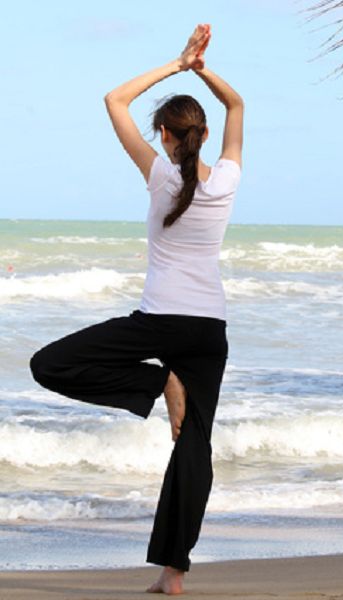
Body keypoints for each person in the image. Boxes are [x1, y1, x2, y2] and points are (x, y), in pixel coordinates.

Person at [29, 23, 243, 595]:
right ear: (201, 134)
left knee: (49, 364)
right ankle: (173, 575)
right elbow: (237, 103)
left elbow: (113, 98)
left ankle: (156, 383)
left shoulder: (158, 174)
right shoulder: (226, 180)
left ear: (166, 136)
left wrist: (179, 64)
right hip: (208, 328)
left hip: (157, 321)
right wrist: (204, 72)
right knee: (194, 444)